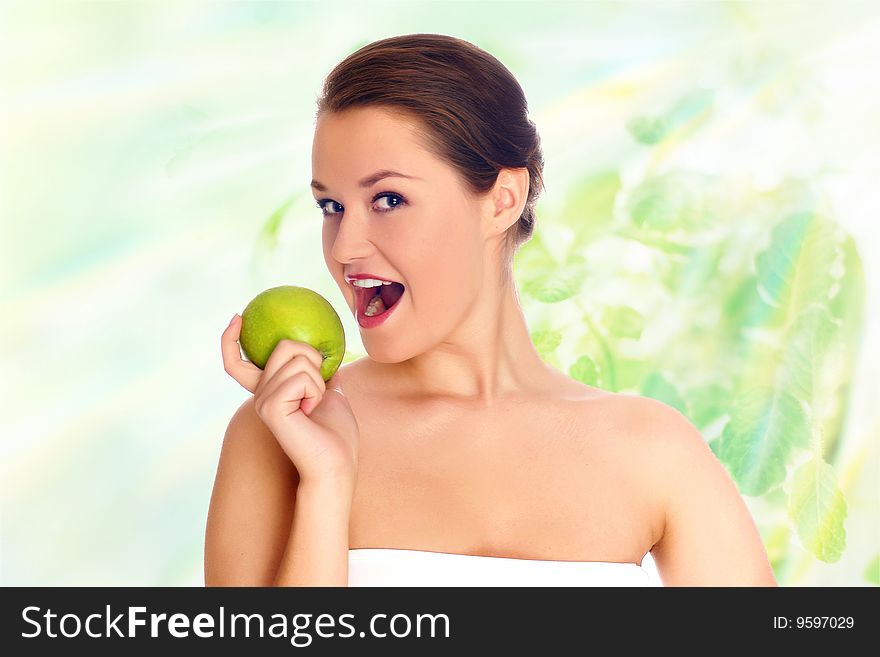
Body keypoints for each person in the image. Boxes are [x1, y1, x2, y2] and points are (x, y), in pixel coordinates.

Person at [205, 33, 777, 587]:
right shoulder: (281, 435)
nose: (344, 246)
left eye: (388, 200)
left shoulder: (651, 450)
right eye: (331, 206)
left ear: (503, 200)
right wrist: (326, 483)